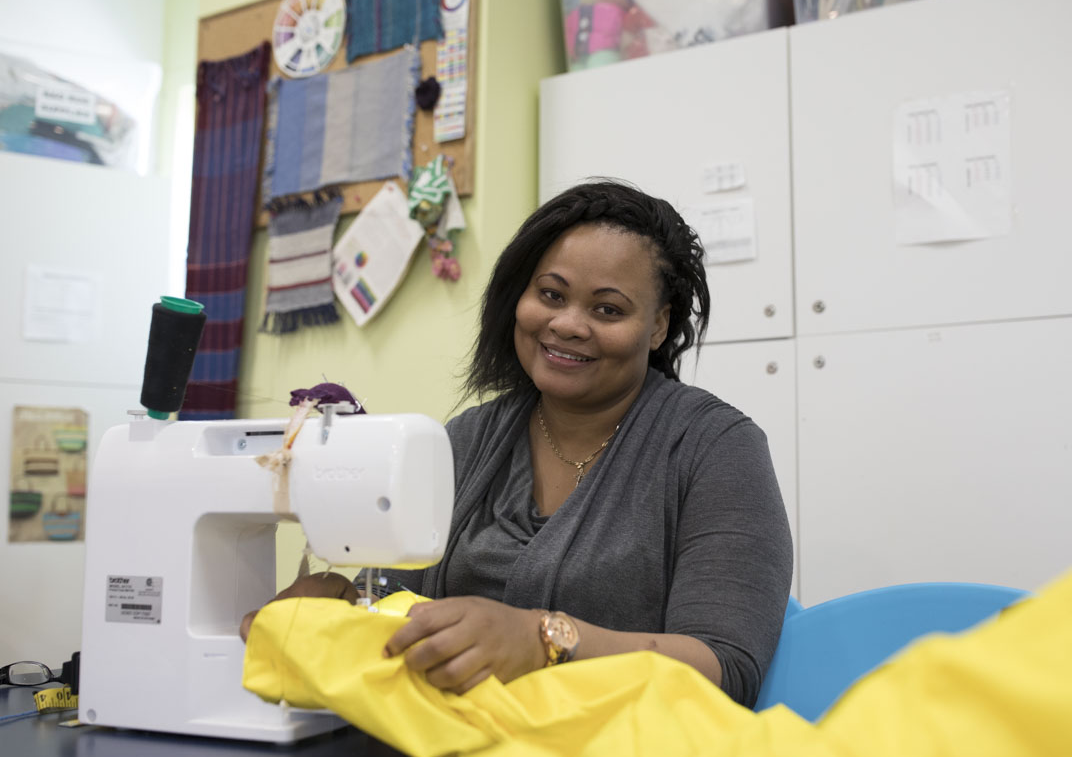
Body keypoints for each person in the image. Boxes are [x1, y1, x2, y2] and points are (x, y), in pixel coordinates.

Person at [241, 180, 793, 707]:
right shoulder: (463, 443)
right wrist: (336, 607)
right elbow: (391, 606)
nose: (568, 324)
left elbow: (727, 668)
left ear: (657, 327)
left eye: (608, 309)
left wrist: (544, 640)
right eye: (550, 294)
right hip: (452, 745)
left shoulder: (716, 449)